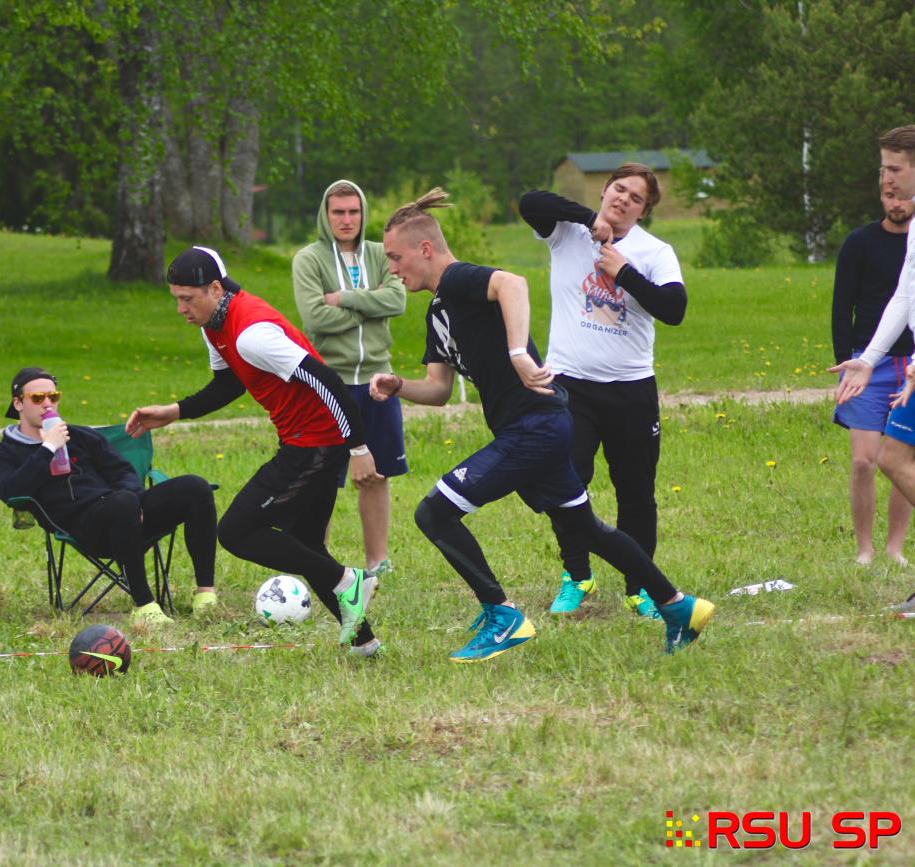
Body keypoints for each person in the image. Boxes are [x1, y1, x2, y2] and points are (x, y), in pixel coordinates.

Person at [370, 189, 713, 662]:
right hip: (542, 428)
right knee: (587, 529)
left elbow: (512, 284)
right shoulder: (439, 311)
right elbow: (438, 389)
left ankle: (502, 616)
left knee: (434, 513)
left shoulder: (460, 279)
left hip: (534, 427)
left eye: (394, 257)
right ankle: (680, 606)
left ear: (424, 249)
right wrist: (398, 386)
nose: (392, 268)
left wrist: (518, 352)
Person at [126, 246, 383, 655]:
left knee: (236, 531)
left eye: (187, 298)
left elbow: (327, 381)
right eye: (176, 298)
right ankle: (363, 641)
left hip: (317, 443)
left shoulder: (252, 333)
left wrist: (359, 448)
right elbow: (229, 383)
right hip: (306, 440)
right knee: (306, 542)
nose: (180, 309)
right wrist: (175, 411)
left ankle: (346, 581)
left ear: (215, 289)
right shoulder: (214, 325)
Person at [518, 165, 687, 619]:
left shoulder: (655, 252)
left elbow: (674, 309)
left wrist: (624, 272)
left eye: (636, 198)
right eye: (619, 189)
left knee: (636, 492)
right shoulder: (568, 234)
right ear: (604, 190)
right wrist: (588, 220)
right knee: (566, 484)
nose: (624, 200)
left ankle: (641, 588)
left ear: (644, 210)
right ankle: (577, 575)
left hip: (631, 389)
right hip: (570, 386)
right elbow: (530, 201)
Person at [0, 367, 218, 627]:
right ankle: (144, 605)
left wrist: (136, 501)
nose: (48, 404)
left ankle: (205, 593)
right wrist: (48, 447)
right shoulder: (3, 454)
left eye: (54, 396)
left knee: (195, 487)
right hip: (82, 526)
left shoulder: (81, 436)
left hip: (128, 513)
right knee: (122, 503)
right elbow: (12, 491)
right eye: (38, 398)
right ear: (18, 403)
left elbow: (122, 472)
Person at [292, 180, 408, 578]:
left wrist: (343, 298)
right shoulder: (308, 259)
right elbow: (314, 318)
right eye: (338, 212)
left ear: (363, 213)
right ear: (325, 215)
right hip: (329, 382)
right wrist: (371, 303)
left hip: (378, 381)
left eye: (353, 211)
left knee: (376, 475)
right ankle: (318, 561)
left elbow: (397, 300)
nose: (346, 220)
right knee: (322, 478)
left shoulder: (380, 253)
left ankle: (378, 562)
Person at [834, 126, 915, 611]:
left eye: (895, 168)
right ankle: (870, 552)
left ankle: (896, 550)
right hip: (894, 363)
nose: (886, 177)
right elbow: (904, 296)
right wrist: (866, 359)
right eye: (883, 167)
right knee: (887, 458)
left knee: (896, 459)